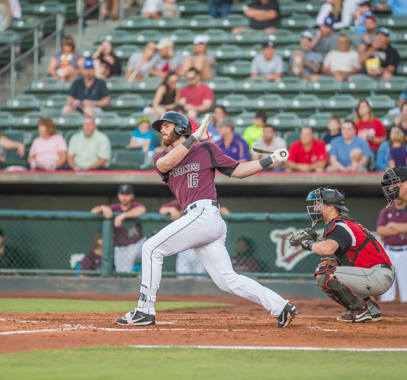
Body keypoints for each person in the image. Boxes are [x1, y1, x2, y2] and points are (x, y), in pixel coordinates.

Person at [114, 111, 298, 328]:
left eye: (166, 126)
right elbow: (166, 165)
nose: (161, 131)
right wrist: (194, 138)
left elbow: (238, 171)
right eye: (160, 127)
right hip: (198, 219)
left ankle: (145, 310)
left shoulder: (207, 149)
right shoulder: (160, 157)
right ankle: (281, 306)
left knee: (151, 248)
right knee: (227, 280)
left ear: (181, 128)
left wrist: (272, 158)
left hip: (204, 214)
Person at [289, 187, 394, 322]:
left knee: (325, 273)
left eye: (319, 204)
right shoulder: (341, 223)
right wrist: (337, 263)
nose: (315, 208)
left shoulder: (339, 226)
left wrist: (308, 244)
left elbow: (327, 250)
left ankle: (362, 309)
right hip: (376, 272)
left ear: (331, 208)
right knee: (330, 269)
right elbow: (360, 255)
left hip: (378, 275)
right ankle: (370, 309)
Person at [91, 184, 147, 273]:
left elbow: (142, 209)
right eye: (122, 194)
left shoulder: (135, 206)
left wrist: (123, 215)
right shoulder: (114, 208)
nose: (124, 197)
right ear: (118, 195)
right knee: (123, 276)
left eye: (127, 194)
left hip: (137, 244)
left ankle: (145, 277)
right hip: (122, 249)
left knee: (152, 248)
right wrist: (102, 207)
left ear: (132, 196)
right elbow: (93, 212)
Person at [377, 198, 407, 302]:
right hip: (389, 251)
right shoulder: (386, 211)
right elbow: (380, 230)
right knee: (387, 284)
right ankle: (386, 312)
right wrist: (401, 229)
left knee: (405, 285)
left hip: (405, 251)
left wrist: (392, 225)